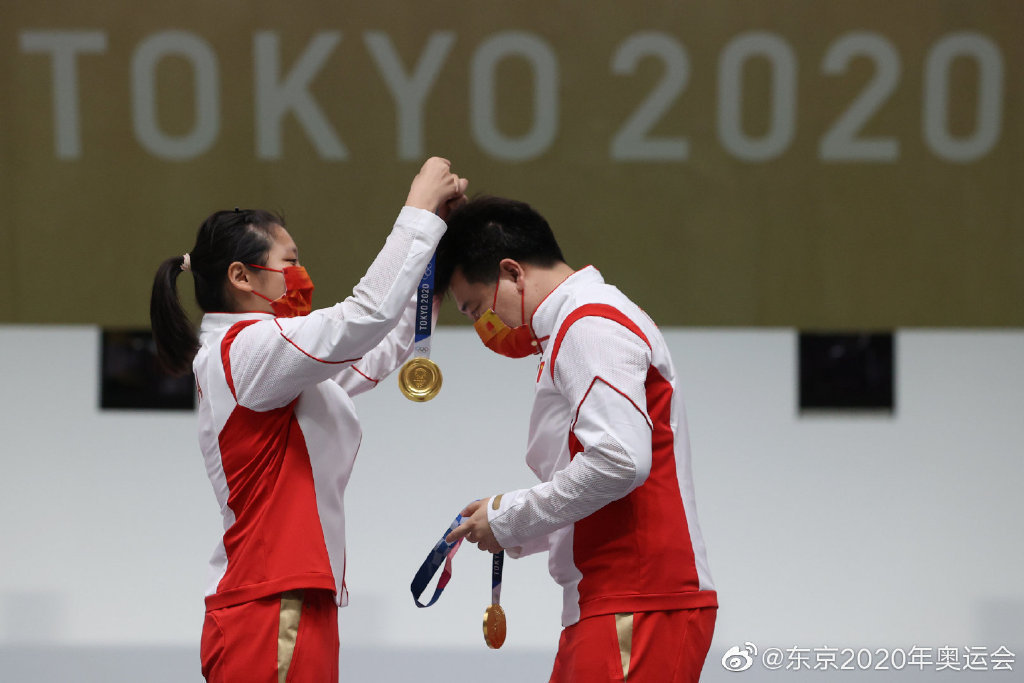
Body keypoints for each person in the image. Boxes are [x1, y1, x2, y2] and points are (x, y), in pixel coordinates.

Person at [149, 157, 467, 683]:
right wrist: (417, 210)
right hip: (271, 601)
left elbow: (375, 347)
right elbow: (363, 316)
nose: (301, 274)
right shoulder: (246, 349)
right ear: (241, 276)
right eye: (290, 261)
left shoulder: (271, 365)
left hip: (290, 596)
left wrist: (433, 243)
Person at [436, 196, 717, 683]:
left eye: (477, 308)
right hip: (609, 599)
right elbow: (600, 480)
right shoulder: (574, 327)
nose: (486, 326)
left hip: (637, 596)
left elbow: (619, 461)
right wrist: (504, 524)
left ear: (512, 272)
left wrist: (509, 516)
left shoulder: (589, 323)